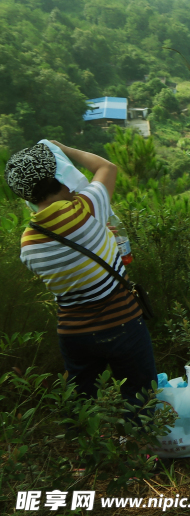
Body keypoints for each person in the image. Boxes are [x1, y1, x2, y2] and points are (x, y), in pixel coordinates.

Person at [4, 142, 156, 411]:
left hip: (74, 334)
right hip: (122, 323)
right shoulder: (87, 207)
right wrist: (58, 146)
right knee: (139, 394)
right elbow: (106, 167)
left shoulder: (27, 244)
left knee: (83, 403)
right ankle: (140, 451)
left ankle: (90, 450)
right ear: (59, 176)